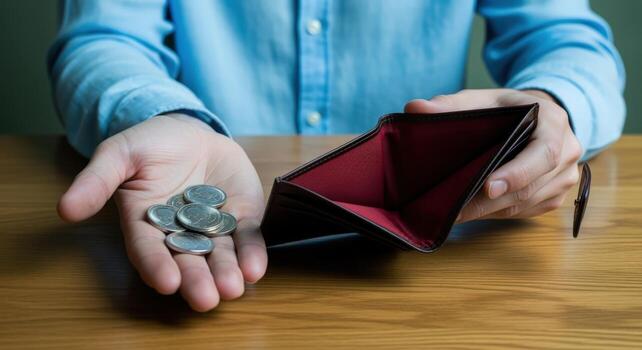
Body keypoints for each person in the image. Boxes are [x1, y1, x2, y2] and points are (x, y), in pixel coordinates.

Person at [48, 0, 626, 312]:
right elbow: (103, 38)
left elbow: (566, 39)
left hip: (434, 286)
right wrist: (160, 115)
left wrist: (552, 106)